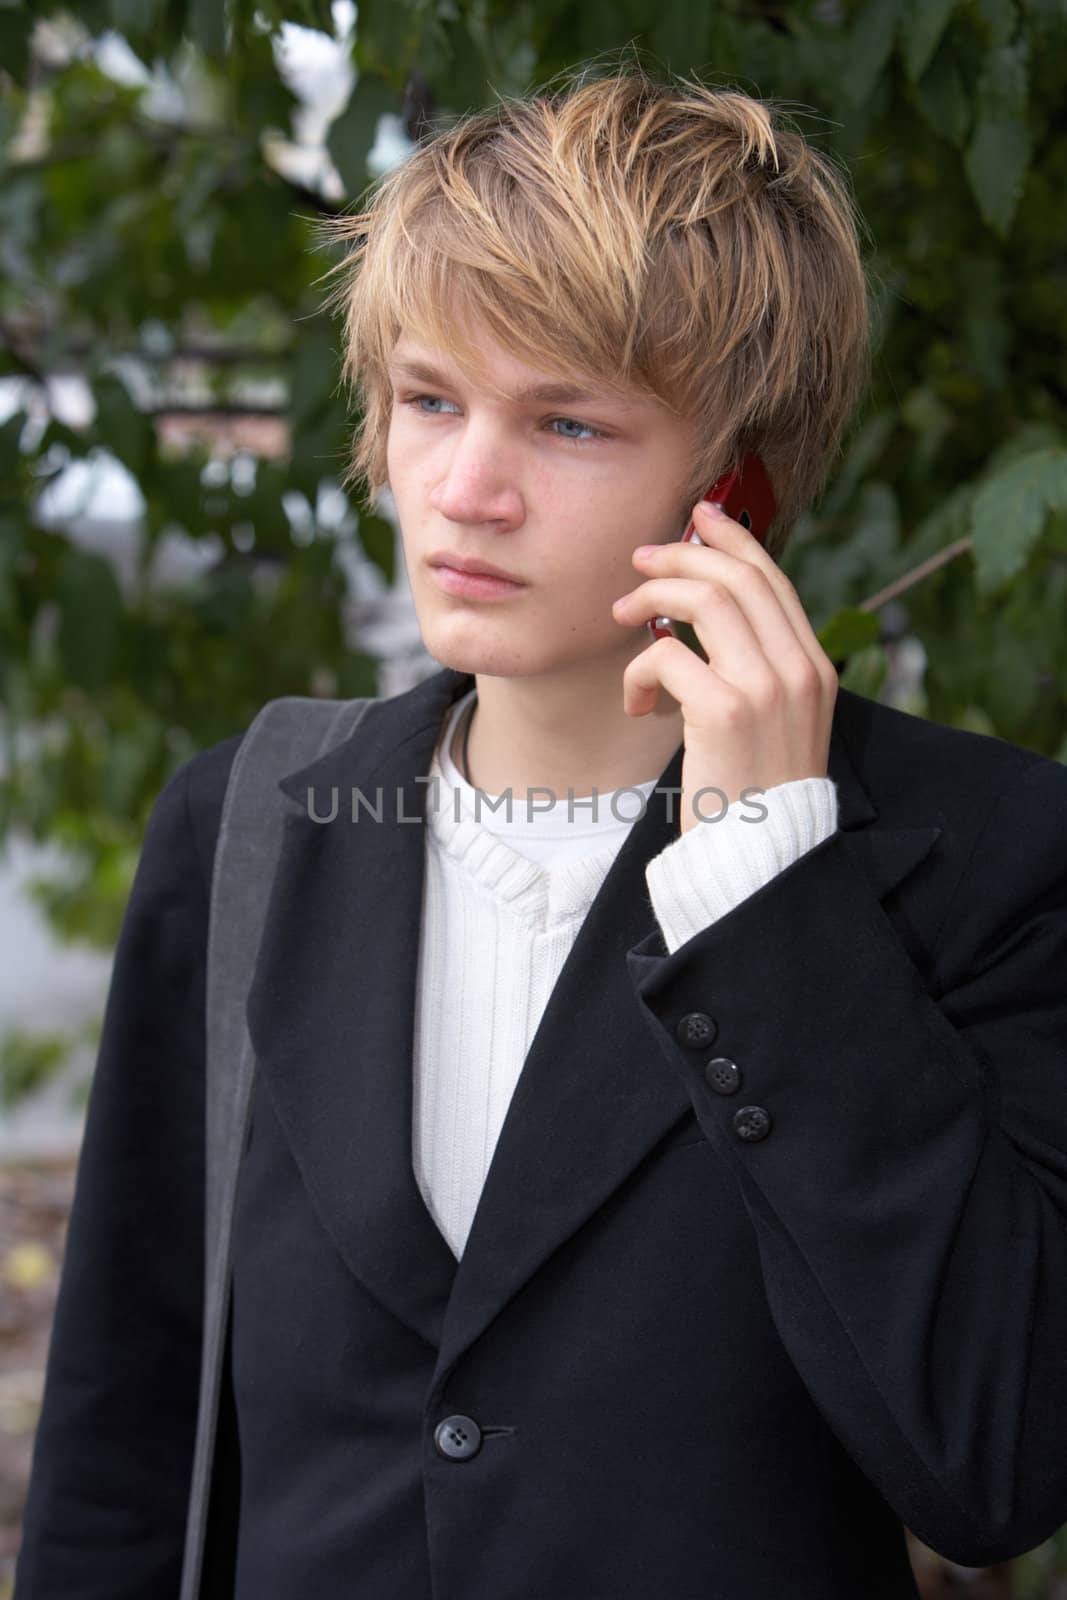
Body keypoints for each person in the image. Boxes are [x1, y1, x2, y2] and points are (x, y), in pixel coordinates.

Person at [14, 62, 1067, 1600]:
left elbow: (995, 1469)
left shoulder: (979, 853)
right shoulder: (250, 820)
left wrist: (771, 877)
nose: (466, 489)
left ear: (739, 483)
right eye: (432, 400)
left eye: (567, 423)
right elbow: (124, 1432)